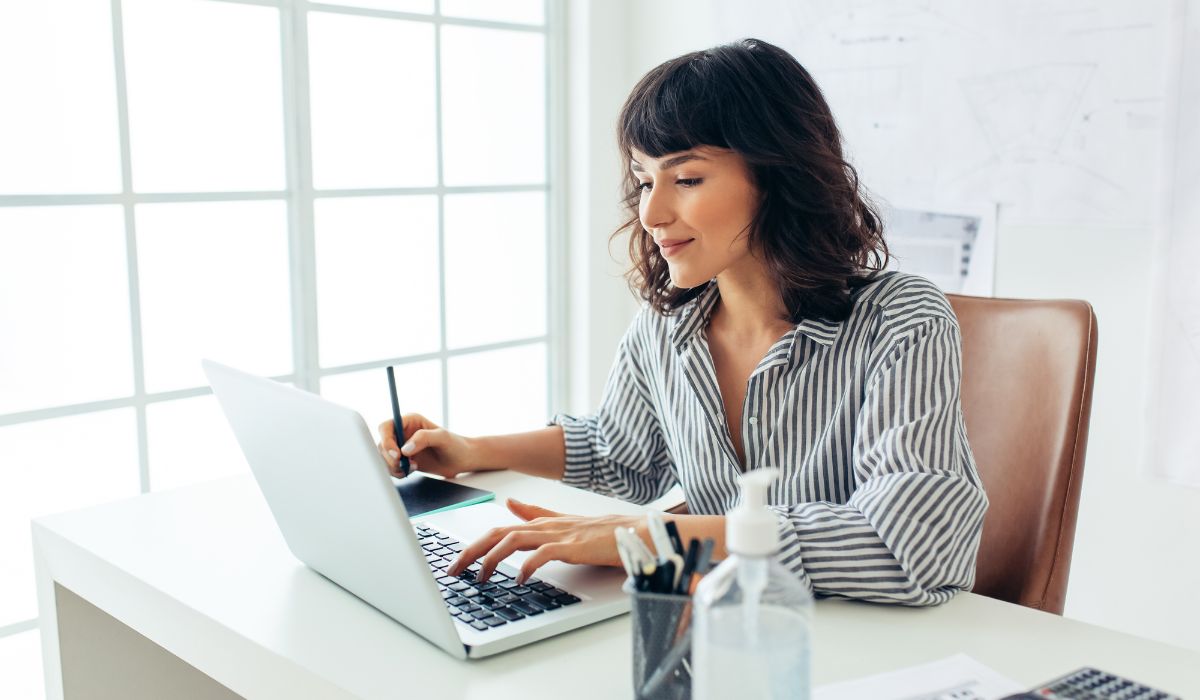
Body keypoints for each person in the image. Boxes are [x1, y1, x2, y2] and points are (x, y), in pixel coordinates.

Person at [377, 38, 988, 606]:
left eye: (687, 179)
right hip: (721, 626)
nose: (652, 212)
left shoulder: (900, 320)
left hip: (862, 639)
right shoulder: (667, 323)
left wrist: (654, 539)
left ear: (780, 177)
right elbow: (621, 452)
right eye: (644, 181)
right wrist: (470, 450)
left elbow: (910, 543)